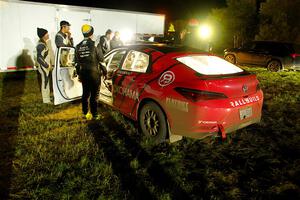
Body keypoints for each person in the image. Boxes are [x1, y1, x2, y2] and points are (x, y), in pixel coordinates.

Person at [75, 24, 107, 120]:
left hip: (84, 74)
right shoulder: (95, 44)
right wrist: (105, 72)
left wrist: (79, 74)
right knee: (94, 95)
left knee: (85, 94)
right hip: (94, 74)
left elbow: (76, 64)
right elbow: (101, 60)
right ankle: (95, 114)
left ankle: (85, 113)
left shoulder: (77, 46)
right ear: (91, 34)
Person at [36, 28, 52, 104]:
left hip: (45, 67)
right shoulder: (41, 45)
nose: (48, 35)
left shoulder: (43, 44)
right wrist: (46, 65)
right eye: (47, 34)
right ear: (43, 35)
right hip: (44, 67)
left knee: (46, 82)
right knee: (45, 82)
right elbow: (39, 58)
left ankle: (47, 98)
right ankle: (46, 100)